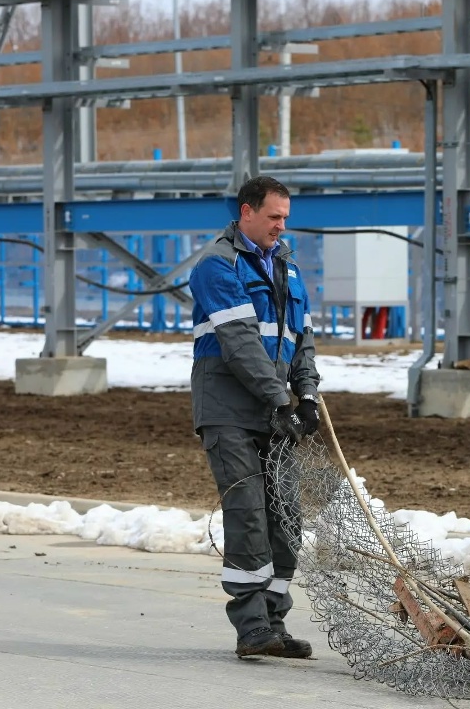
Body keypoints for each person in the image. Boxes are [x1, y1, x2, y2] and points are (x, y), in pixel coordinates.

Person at [188, 175, 322, 659]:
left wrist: (306, 394)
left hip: (275, 410)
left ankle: (274, 623)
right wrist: (280, 398)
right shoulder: (216, 266)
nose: (281, 226)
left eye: (285, 217)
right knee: (246, 513)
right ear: (247, 212)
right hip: (228, 409)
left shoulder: (287, 267)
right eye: (274, 216)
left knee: (287, 516)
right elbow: (242, 344)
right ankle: (251, 629)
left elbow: (301, 339)